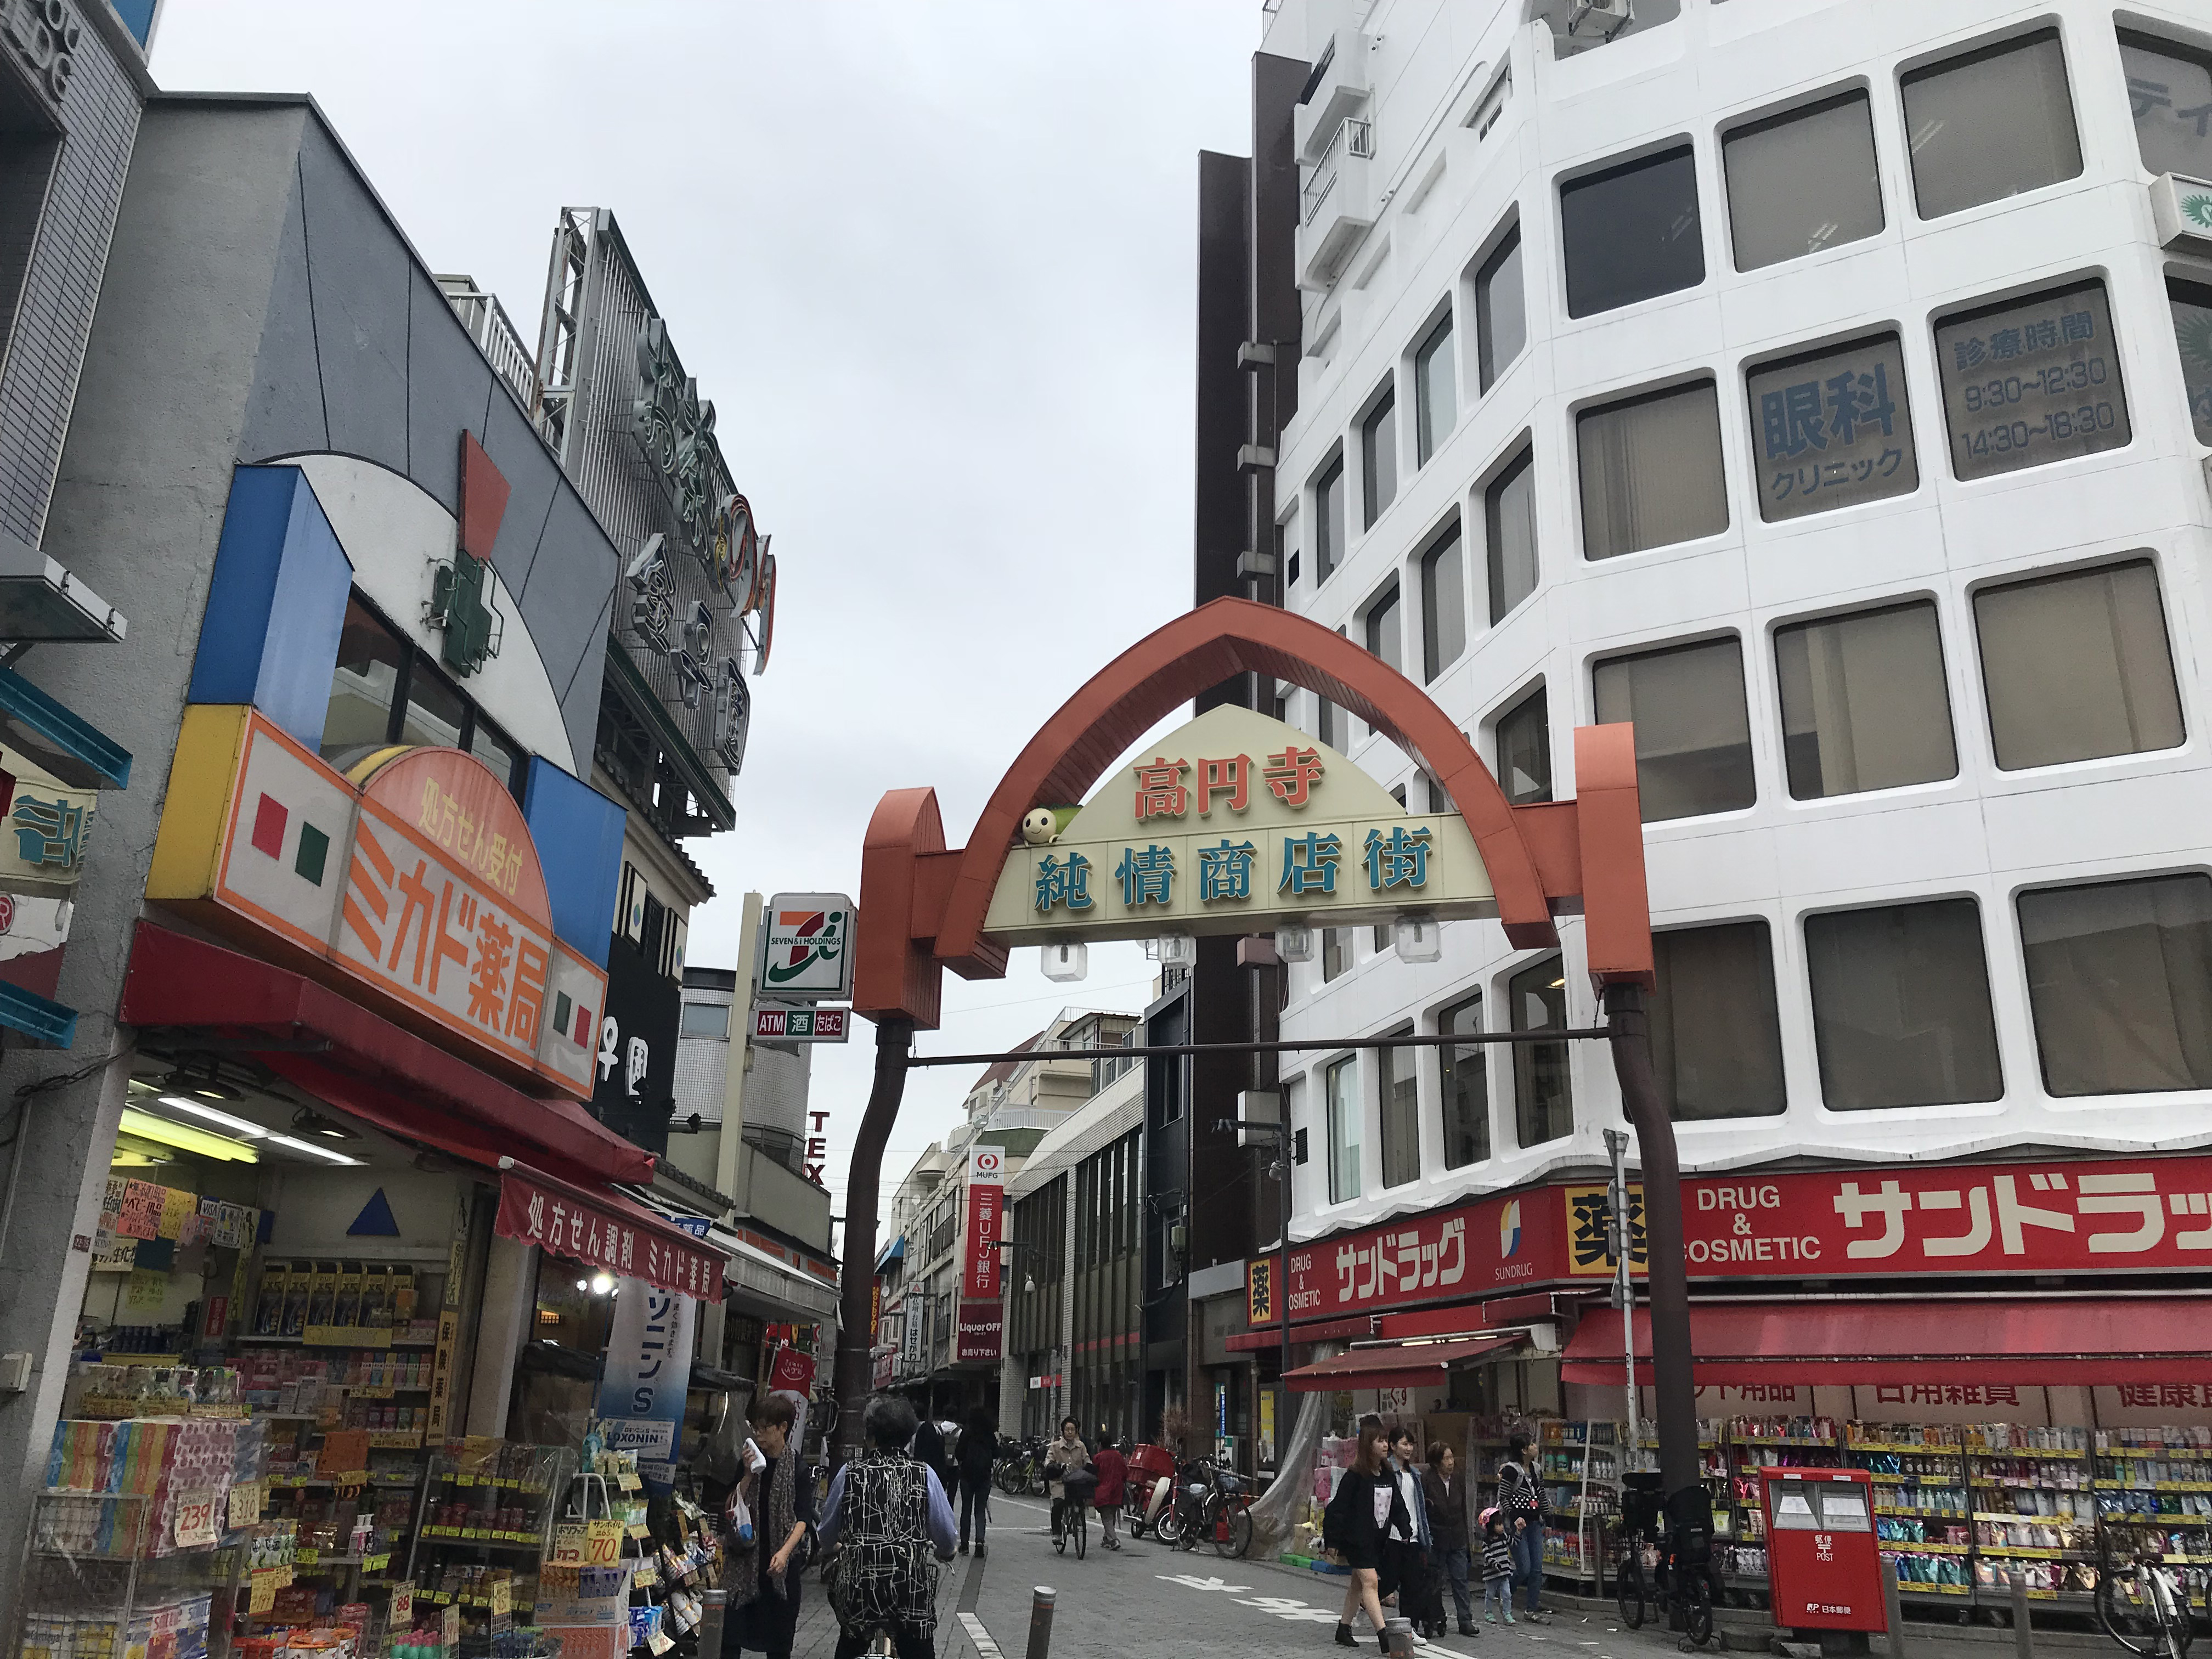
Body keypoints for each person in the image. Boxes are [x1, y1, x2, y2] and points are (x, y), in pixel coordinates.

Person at [821, 1393, 958, 1659]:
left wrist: (834, 1546)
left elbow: (826, 1532)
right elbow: (945, 1533)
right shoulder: (924, 1473)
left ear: (870, 1436)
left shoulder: (850, 1473)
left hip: (860, 1588)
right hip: (909, 1588)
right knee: (919, 1648)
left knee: (850, 1643)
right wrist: (947, 1551)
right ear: (908, 1437)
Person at [723, 1394, 814, 1659]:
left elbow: (803, 1517)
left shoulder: (797, 1467)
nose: (760, 1434)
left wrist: (785, 1553)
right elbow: (732, 1504)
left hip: (779, 1569)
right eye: (756, 1428)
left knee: (779, 1642)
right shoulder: (749, 1462)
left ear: (783, 1428)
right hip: (745, 1563)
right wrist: (749, 1474)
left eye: (766, 1428)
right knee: (730, 1638)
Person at [1324, 1424, 1409, 1653]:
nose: (1385, 1445)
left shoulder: (1388, 1475)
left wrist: (1405, 1529)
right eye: (1380, 1441)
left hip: (1377, 1540)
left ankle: (1343, 1628)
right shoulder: (1355, 1476)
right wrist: (1332, 1540)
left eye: (1385, 1441)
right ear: (1367, 1446)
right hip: (1356, 1540)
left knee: (1357, 1584)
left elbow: (1397, 1506)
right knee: (1371, 1582)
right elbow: (1337, 1509)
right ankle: (1385, 1637)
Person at [1383, 1428, 1436, 1637]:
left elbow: (1419, 1508)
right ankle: (1366, 1603)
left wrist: (1424, 1534)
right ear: (1393, 1446)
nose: (1409, 1448)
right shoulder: (1386, 1471)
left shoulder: (1415, 1474)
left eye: (1411, 1444)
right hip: (1391, 1537)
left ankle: (1410, 1630)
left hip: (1413, 1536)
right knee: (1388, 1583)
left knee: (1412, 1586)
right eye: (1404, 1444)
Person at [1496, 1432, 1547, 1623]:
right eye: (1532, 1444)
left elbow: (1540, 1493)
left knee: (1537, 1568)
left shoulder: (1536, 1469)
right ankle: (1506, 1590)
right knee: (1524, 1567)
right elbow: (1503, 1498)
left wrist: (1547, 1516)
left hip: (1534, 1523)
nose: (1535, 1447)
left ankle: (1532, 1610)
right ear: (1524, 1450)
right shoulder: (1511, 1471)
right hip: (1515, 1526)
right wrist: (1515, 1517)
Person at [1425, 1442, 1474, 1637]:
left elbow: (1463, 1508)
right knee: (1436, 1581)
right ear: (1437, 1462)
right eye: (1446, 1458)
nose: (1451, 1462)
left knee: (1461, 1579)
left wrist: (1466, 1537)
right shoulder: (1427, 1480)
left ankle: (1466, 1620)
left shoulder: (1458, 1479)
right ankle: (1436, 1617)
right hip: (1437, 1537)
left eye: (1452, 1457)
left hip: (1457, 1536)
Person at [953, 1405, 996, 1559]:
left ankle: (964, 1544)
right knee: (980, 1510)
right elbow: (997, 1451)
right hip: (984, 1476)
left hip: (967, 1475)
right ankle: (980, 1541)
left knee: (966, 1509)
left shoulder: (967, 1432)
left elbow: (959, 1452)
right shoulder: (988, 1433)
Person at [1042, 1415, 1089, 1542]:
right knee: (1058, 1504)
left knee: (1081, 1500)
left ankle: (1078, 1518)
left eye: (1072, 1430)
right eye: (1067, 1429)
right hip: (1059, 1482)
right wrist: (1056, 1466)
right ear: (1063, 1431)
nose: (1070, 1432)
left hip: (1076, 1482)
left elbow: (1087, 1461)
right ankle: (1057, 1533)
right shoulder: (1055, 1446)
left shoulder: (1081, 1447)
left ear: (1076, 1431)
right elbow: (1047, 1462)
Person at [1091, 1428, 1126, 1551]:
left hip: (1103, 1491)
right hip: (1117, 1490)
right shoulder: (1118, 1456)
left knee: (1107, 1517)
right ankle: (1107, 1538)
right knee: (1112, 1515)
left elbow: (1093, 1474)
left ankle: (1113, 1540)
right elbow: (1125, 1472)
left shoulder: (1098, 1458)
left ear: (1100, 1444)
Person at [1479, 1508, 1515, 1625]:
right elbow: (1487, 1555)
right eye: (1498, 1524)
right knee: (1490, 1594)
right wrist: (1495, 1563)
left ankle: (1507, 1614)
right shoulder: (1487, 1541)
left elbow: (1514, 1542)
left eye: (1502, 1524)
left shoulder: (1504, 1537)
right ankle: (1488, 1612)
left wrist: (1518, 1531)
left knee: (1507, 1594)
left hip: (1504, 1573)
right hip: (1491, 1574)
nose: (1502, 1527)